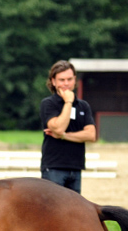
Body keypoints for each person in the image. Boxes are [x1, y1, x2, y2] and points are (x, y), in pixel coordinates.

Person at [39, 60, 97, 194]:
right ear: (53, 81)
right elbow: (58, 128)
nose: (66, 83)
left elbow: (91, 135)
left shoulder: (83, 106)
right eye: (62, 80)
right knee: (53, 211)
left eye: (69, 79)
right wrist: (68, 102)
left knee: (74, 213)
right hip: (54, 168)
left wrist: (64, 136)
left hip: (75, 168)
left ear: (75, 80)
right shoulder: (48, 104)